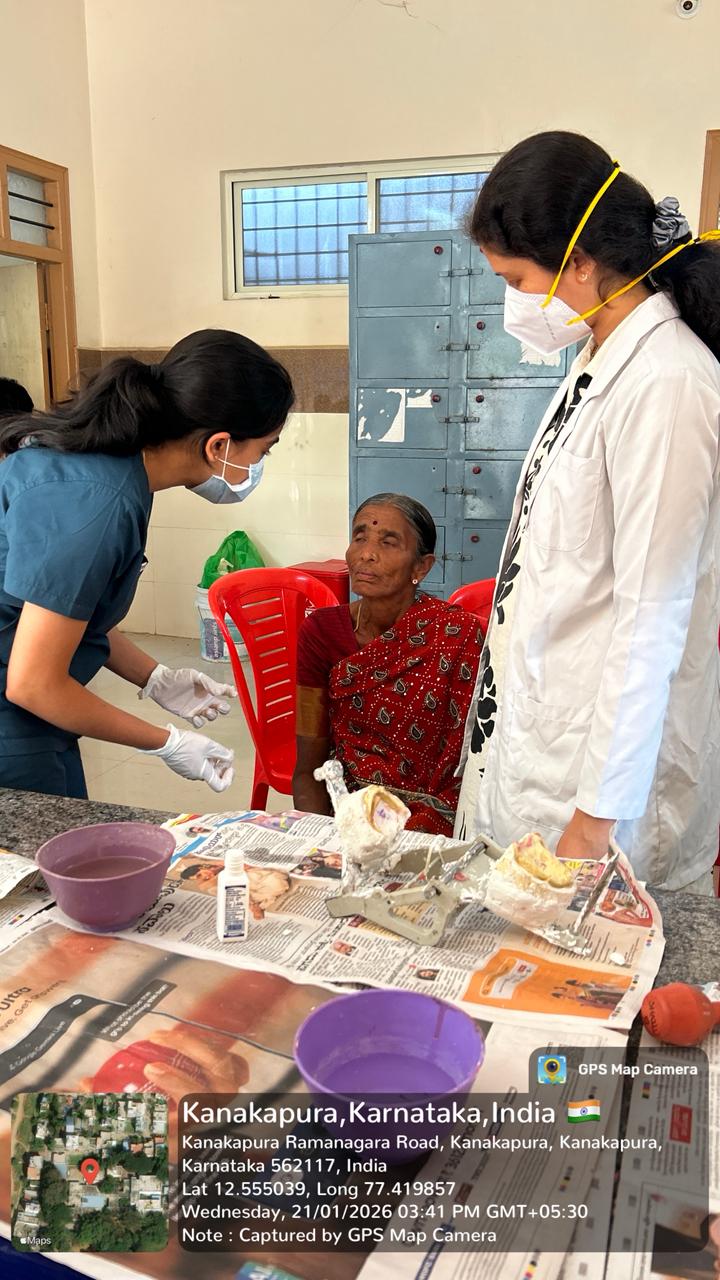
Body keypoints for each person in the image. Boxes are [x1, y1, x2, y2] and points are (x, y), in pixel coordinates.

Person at [455, 131, 720, 893]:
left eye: (515, 278)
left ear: (579, 263)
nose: (513, 303)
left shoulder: (668, 384)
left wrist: (596, 817)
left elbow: (652, 615)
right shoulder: (598, 360)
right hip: (542, 741)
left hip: (603, 798)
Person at [0, 329, 294, 798]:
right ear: (218, 446)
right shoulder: (97, 503)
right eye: (265, 448)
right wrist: (168, 743)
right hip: (13, 724)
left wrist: (155, 678)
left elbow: (63, 609)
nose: (259, 462)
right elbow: (34, 684)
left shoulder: (110, 466)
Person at [293, 493, 483, 835]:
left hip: (435, 820)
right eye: (359, 537)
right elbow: (308, 768)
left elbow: (473, 768)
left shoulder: (458, 635)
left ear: (421, 567)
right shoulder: (321, 631)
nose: (366, 553)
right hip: (353, 813)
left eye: (388, 542)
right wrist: (327, 843)